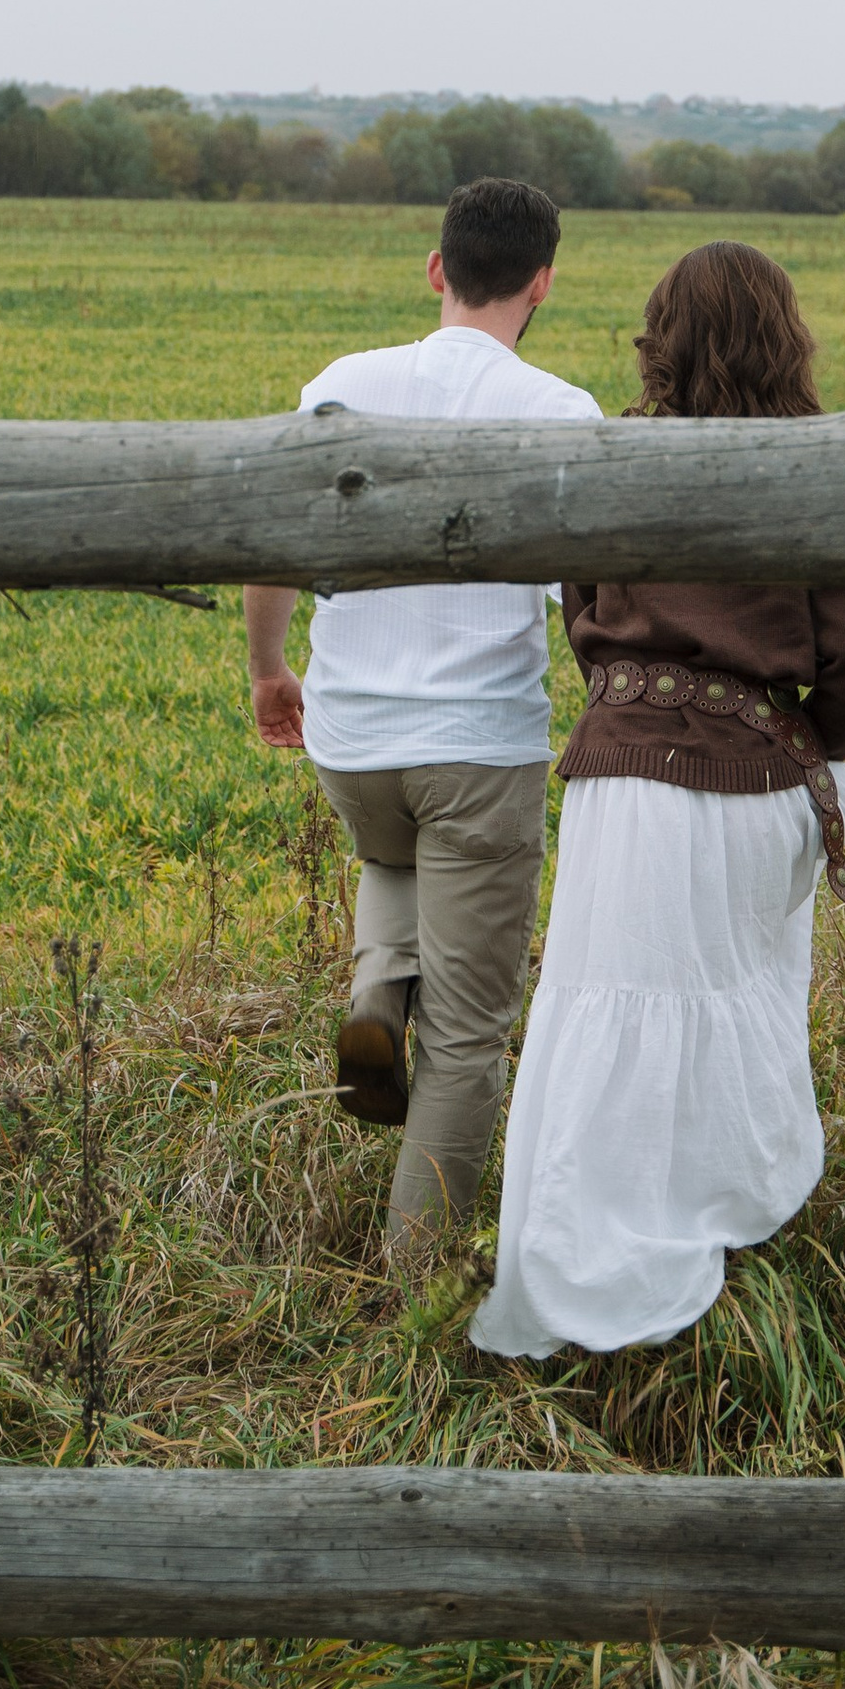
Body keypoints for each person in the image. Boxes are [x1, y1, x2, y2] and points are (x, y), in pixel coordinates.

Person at [470, 239, 845, 1359]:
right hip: (756, 777)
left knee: (607, 1006)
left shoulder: (610, 461)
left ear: (659, 339)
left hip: (621, 784)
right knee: (723, 998)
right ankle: (715, 1230)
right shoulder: (823, 464)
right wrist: (810, 744)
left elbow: (581, 611)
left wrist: (635, 709)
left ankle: (584, 1261)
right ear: (785, 337)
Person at [244, 176, 602, 1260]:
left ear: (437, 269)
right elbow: (584, 597)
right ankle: (415, 1280)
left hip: (352, 744)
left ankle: (372, 987)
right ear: (541, 283)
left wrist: (270, 666)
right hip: (477, 751)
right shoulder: (558, 413)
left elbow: (272, 537)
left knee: (394, 848)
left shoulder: (341, 385)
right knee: (469, 1036)